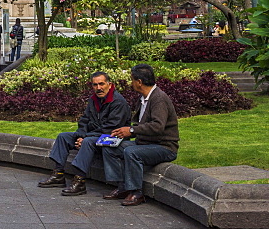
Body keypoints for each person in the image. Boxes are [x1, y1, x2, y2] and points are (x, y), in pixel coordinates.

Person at [38, 71, 132, 196]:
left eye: (101, 84)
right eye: (95, 85)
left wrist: (85, 138)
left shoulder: (118, 102)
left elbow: (110, 128)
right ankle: (58, 175)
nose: (98, 88)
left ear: (110, 85)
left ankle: (79, 181)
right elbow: (84, 120)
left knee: (87, 142)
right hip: (93, 135)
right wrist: (80, 135)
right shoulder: (93, 100)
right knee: (63, 137)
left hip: (113, 138)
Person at [102, 63, 179, 206]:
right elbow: (141, 126)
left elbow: (158, 127)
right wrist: (123, 132)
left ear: (139, 82)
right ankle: (122, 186)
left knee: (131, 152)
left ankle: (136, 192)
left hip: (164, 147)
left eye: (132, 80)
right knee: (109, 146)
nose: (131, 83)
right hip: (145, 142)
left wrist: (131, 130)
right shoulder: (143, 98)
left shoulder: (159, 99)